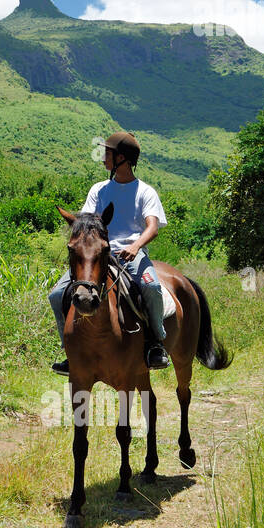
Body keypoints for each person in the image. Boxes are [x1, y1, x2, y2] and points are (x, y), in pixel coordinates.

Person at [49, 131, 169, 375]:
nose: (103, 157)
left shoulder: (145, 192)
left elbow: (152, 227)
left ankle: (156, 343)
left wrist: (135, 246)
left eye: (108, 153)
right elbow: (85, 222)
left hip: (132, 254)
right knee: (57, 294)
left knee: (152, 288)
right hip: (99, 254)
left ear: (122, 158)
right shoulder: (99, 189)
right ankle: (68, 350)